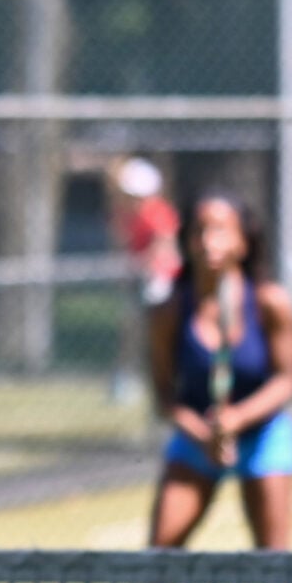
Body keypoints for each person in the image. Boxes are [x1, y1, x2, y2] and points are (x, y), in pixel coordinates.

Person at [109, 189, 292, 583]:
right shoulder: (169, 310)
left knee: (276, 565)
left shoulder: (269, 302)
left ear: (244, 241)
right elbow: (163, 394)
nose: (208, 240)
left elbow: (288, 380)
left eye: (221, 229)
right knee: (159, 556)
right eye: (199, 229)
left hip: (263, 436)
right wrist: (202, 431)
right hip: (196, 439)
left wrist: (237, 419)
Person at [107, 158, 180, 404]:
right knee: (130, 331)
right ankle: (126, 381)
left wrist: (142, 264)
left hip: (159, 280)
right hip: (138, 278)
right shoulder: (128, 215)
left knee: (158, 331)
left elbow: (163, 245)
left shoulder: (158, 213)